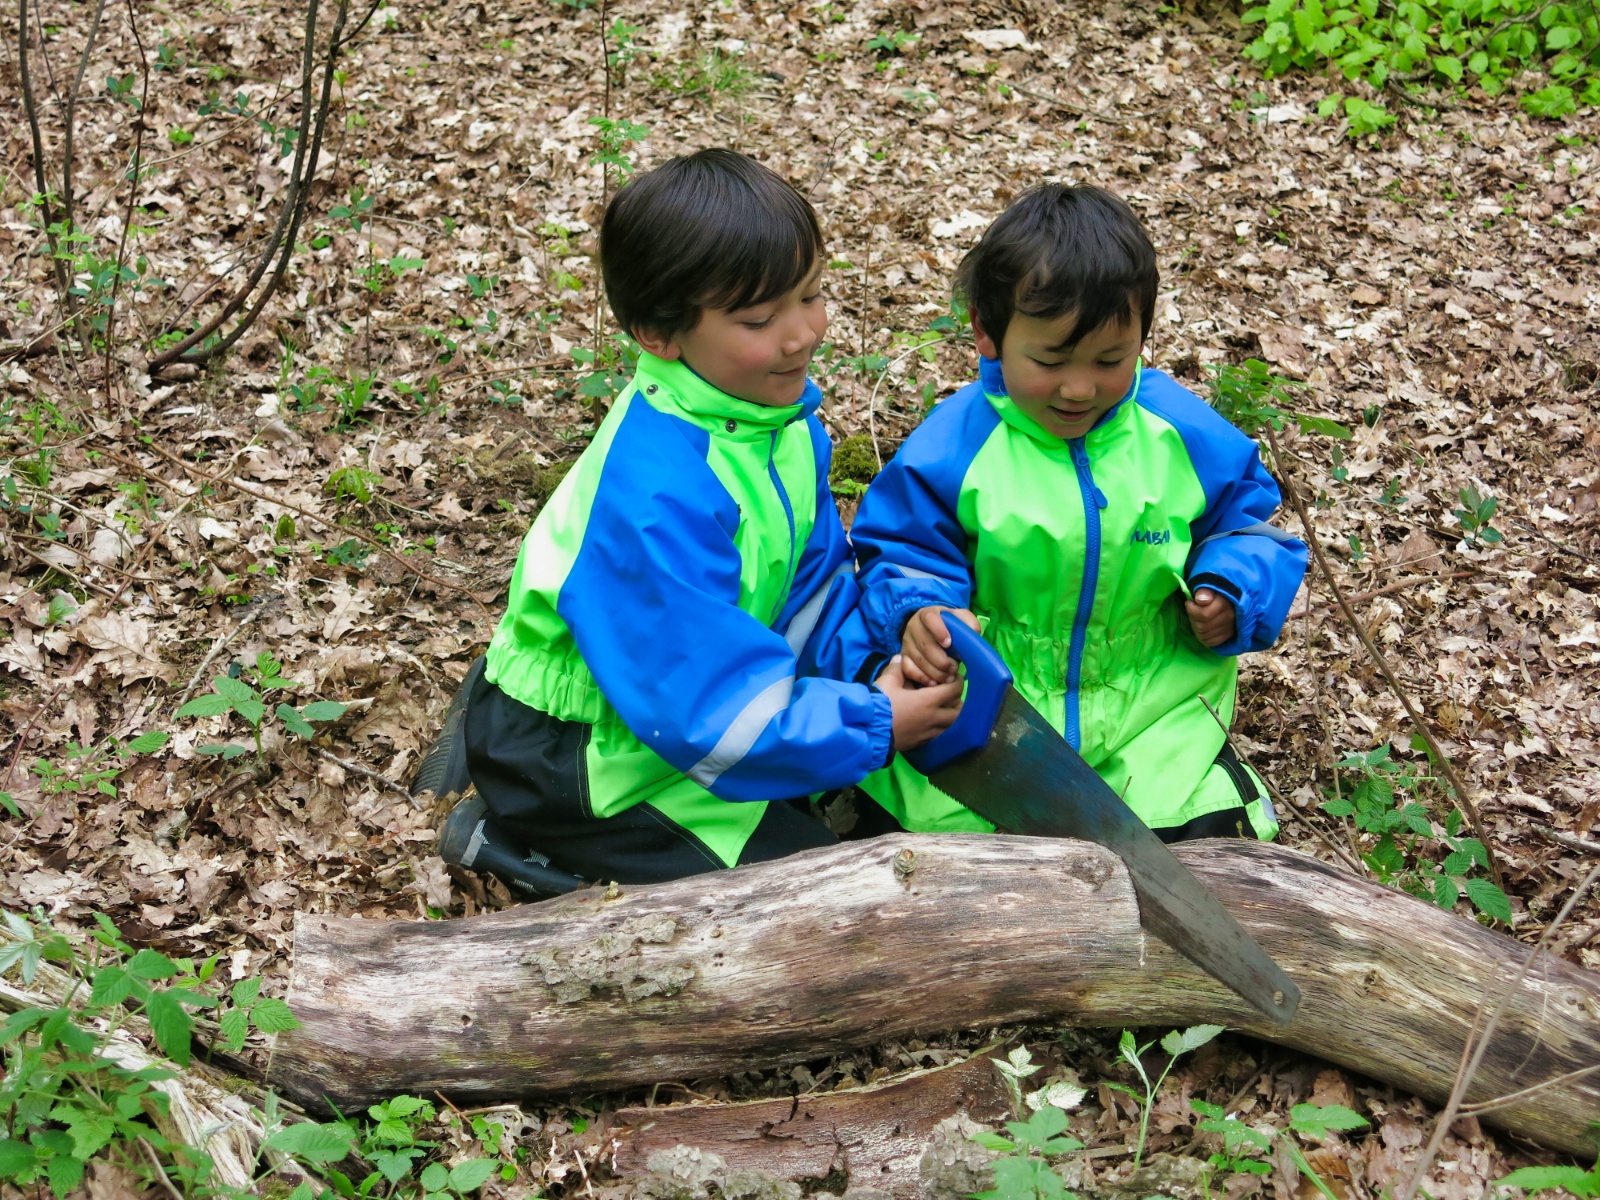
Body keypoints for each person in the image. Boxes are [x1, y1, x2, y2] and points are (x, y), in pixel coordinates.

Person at [424, 148, 962, 891]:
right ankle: (518, 846)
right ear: (660, 333)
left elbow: (808, 590)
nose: (802, 334)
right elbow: (707, 714)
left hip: (676, 703)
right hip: (585, 755)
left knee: (883, 824)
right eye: (758, 319)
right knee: (817, 891)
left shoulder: (778, 426)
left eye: (810, 295)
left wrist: (878, 656)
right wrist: (872, 723)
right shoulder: (658, 496)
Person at [848, 183, 1307, 842]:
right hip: (994, 722)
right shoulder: (954, 448)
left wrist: (1232, 587)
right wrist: (921, 611)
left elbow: (1246, 522)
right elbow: (900, 548)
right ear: (986, 332)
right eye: (1050, 359)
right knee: (934, 860)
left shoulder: (1178, 432)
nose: (1079, 387)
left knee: (1198, 856)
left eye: (1110, 360)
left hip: (1155, 718)